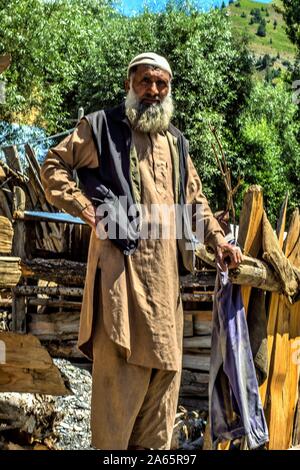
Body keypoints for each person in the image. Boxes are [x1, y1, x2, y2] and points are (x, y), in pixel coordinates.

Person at [41, 52, 242, 450]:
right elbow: (53, 167)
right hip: (121, 293)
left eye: (161, 84)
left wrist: (219, 241)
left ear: (169, 90)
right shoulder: (100, 127)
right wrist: (87, 210)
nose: (153, 90)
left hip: (166, 300)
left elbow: (195, 204)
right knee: (114, 426)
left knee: (158, 430)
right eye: (145, 81)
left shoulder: (177, 144)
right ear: (129, 83)